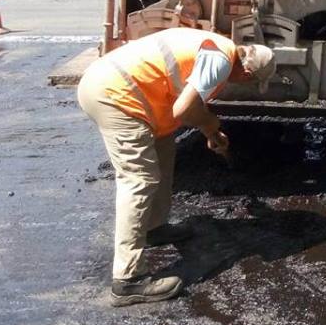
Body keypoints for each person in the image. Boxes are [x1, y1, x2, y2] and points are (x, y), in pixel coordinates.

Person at [77, 27, 276, 306]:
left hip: (128, 92)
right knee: (139, 180)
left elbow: (185, 100)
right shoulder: (220, 60)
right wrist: (210, 124)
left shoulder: (216, 48)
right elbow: (184, 110)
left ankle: (154, 228)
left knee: (164, 154)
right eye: (251, 82)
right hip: (116, 96)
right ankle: (128, 281)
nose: (244, 85)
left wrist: (210, 133)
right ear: (247, 72)